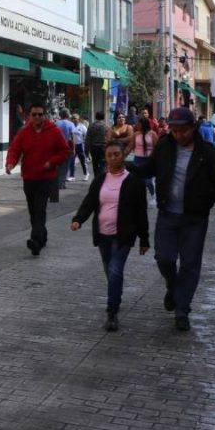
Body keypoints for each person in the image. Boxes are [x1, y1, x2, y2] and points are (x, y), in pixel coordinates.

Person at [129, 107, 215, 332]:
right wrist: (128, 167)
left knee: (190, 264)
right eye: (174, 131)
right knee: (164, 257)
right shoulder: (165, 146)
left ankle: (182, 309)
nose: (178, 135)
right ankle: (172, 285)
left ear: (192, 128)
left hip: (195, 218)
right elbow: (149, 169)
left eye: (183, 131)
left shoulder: (207, 152)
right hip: (167, 214)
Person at [71, 140, 150, 331]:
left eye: (117, 154)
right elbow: (89, 201)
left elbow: (141, 212)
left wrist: (144, 239)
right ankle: (116, 294)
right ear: (105, 157)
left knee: (115, 271)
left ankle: (112, 313)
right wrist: (78, 219)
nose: (113, 158)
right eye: (109, 155)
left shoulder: (133, 182)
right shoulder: (100, 179)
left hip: (123, 235)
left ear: (123, 156)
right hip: (103, 234)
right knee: (110, 271)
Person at [5, 104, 70, 256]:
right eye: (34, 114)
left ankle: (36, 241)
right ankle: (43, 235)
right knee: (33, 210)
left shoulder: (54, 131)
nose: (37, 117)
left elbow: (64, 151)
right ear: (30, 116)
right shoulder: (24, 132)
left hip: (46, 177)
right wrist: (10, 163)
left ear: (44, 115)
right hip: (29, 177)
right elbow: (15, 149)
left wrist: (52, 162)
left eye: (40, 114)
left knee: (40, 208)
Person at [127, 117, 158, 204]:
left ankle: (153, 195)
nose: (137, 125)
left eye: (139, 123)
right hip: (138, 159)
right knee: (138, 180)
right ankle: (139, 198)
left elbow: (157, 148)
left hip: (149, 160)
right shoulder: (136, 134)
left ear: (143, 124)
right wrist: (122, 155)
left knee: (148, 181)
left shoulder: (152, 134)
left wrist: (153, 157)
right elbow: (130, 147)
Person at [55, 108, 75, 188]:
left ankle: (58, 182)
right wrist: (73, 149)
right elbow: (72, 137)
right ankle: (61, 183)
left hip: (56, 147)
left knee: (57, 165)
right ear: (67, 115)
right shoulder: (70, 124)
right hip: (66, 147)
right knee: (65, 165)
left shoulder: (56, 123)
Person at [85, 111, 109, 177]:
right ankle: (100, 178)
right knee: (103, 164)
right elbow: (109, 138)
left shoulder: (91, 126)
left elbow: (87, 139)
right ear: (103, 117)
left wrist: (86, 152)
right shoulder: (106, 127)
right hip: (103, 147)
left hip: (94, 147)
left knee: (95, 164)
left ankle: (96, 178)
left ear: (96, 117)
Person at [69, 113, 88, 181]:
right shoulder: (71, 126)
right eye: (73, 118)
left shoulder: (82, 127)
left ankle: (86, 174)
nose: (74, 119)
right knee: (72, 161)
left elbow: (86, 136)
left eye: (75, 118)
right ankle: (72, 176)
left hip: (80, 145)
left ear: (78, 119)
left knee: (82, 161)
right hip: (72, 146)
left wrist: (85, 146)